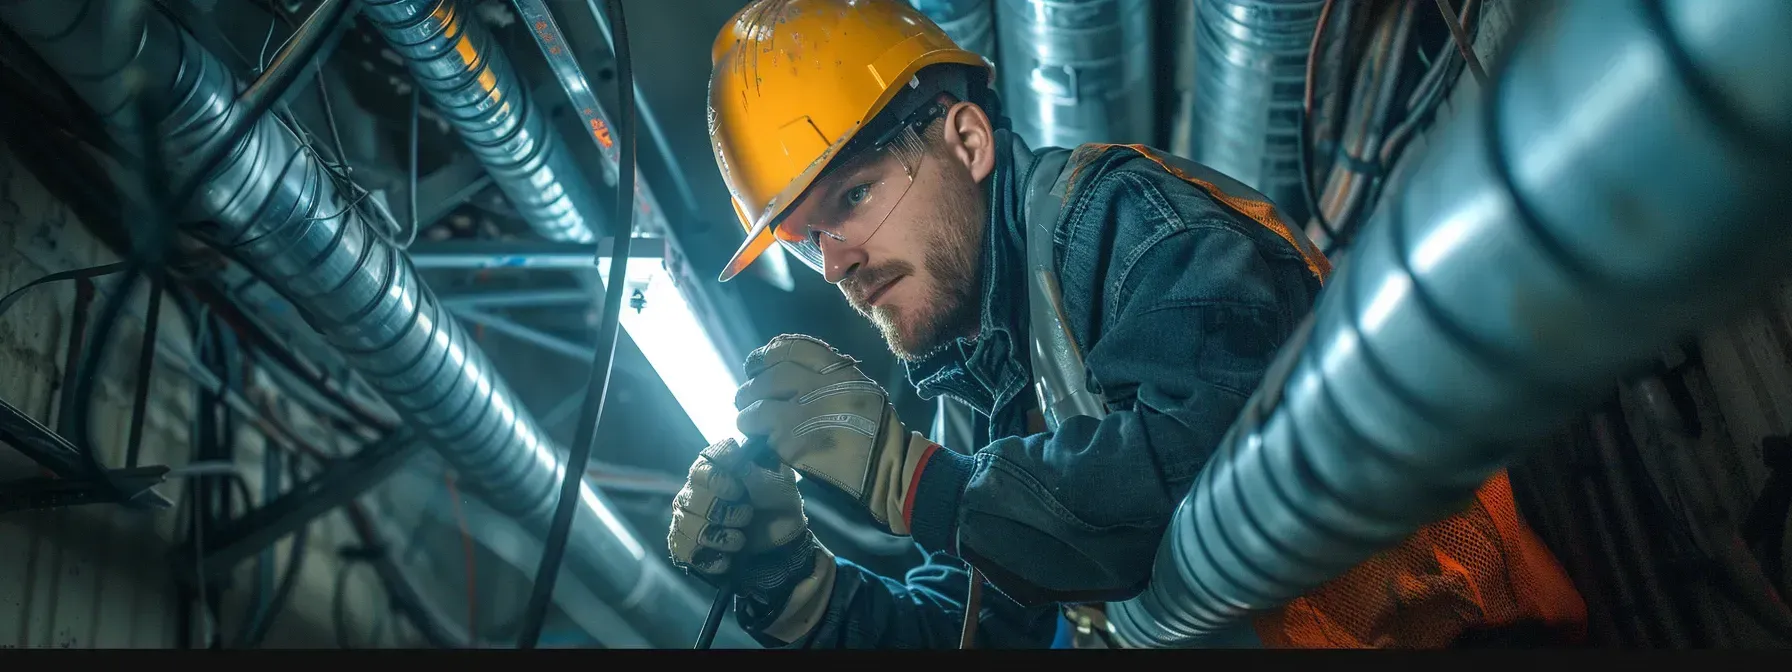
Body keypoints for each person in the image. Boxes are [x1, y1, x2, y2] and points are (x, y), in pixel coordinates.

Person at [667, 0, 1586, 649]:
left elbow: (1203, 464)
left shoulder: (1115, 219)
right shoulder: (983, 386)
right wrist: (796, 590)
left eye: (854, 197)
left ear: (968, 142)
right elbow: (985, 634)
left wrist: (910, 480)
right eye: (805, 240)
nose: (835, 263)